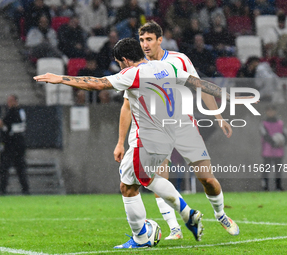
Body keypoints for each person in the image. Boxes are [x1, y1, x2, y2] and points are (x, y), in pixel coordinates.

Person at [34, 38, 254, 248]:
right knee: (143, 180)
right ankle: (183, 214)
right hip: (169, 137)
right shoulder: (167, 67)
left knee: (129, 187)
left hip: (147, 139)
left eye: (120, 63)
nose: (120, 66)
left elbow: (98, 84)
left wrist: (62, 78)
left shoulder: (132, 73)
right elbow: (200, 84)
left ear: (125, 60)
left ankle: (145, 235)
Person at [113, 21, 239, 240]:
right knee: (158, 178)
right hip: (154, 131)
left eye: (149, 39)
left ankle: (220, 215)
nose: (145, 44)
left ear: (160, 40)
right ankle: (175, 229)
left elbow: (200, 85)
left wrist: (218, 116)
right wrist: (120, 141)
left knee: (206, 178)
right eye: (141, 40)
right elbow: (126, 105)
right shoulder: (135, 68)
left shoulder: (178, 60)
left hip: (183, 126)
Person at [0, 95, 30, 195]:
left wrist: (2, 125)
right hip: (20, 144)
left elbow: (7, 127)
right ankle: (25, 189)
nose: (8, 103)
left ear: (15, 101)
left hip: (11, 145)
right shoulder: (21, 112)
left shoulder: (13, 112)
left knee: (5, 167)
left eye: (10, 101)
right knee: (20, 167)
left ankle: (3, 189)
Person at [259, 105, 287, 191]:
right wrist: (274, 142)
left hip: (278, 152)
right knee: (266, 170)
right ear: (266, 112)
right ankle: (265, 187)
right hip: (267, 152)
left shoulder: (280, 123)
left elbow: (285, 136)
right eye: (268, 110)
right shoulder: (263, 124)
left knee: (278, 170)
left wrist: (283, 141)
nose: (270, 112)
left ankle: (278, 187)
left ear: (275, 112)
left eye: (272, 110)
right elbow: (265, 135)